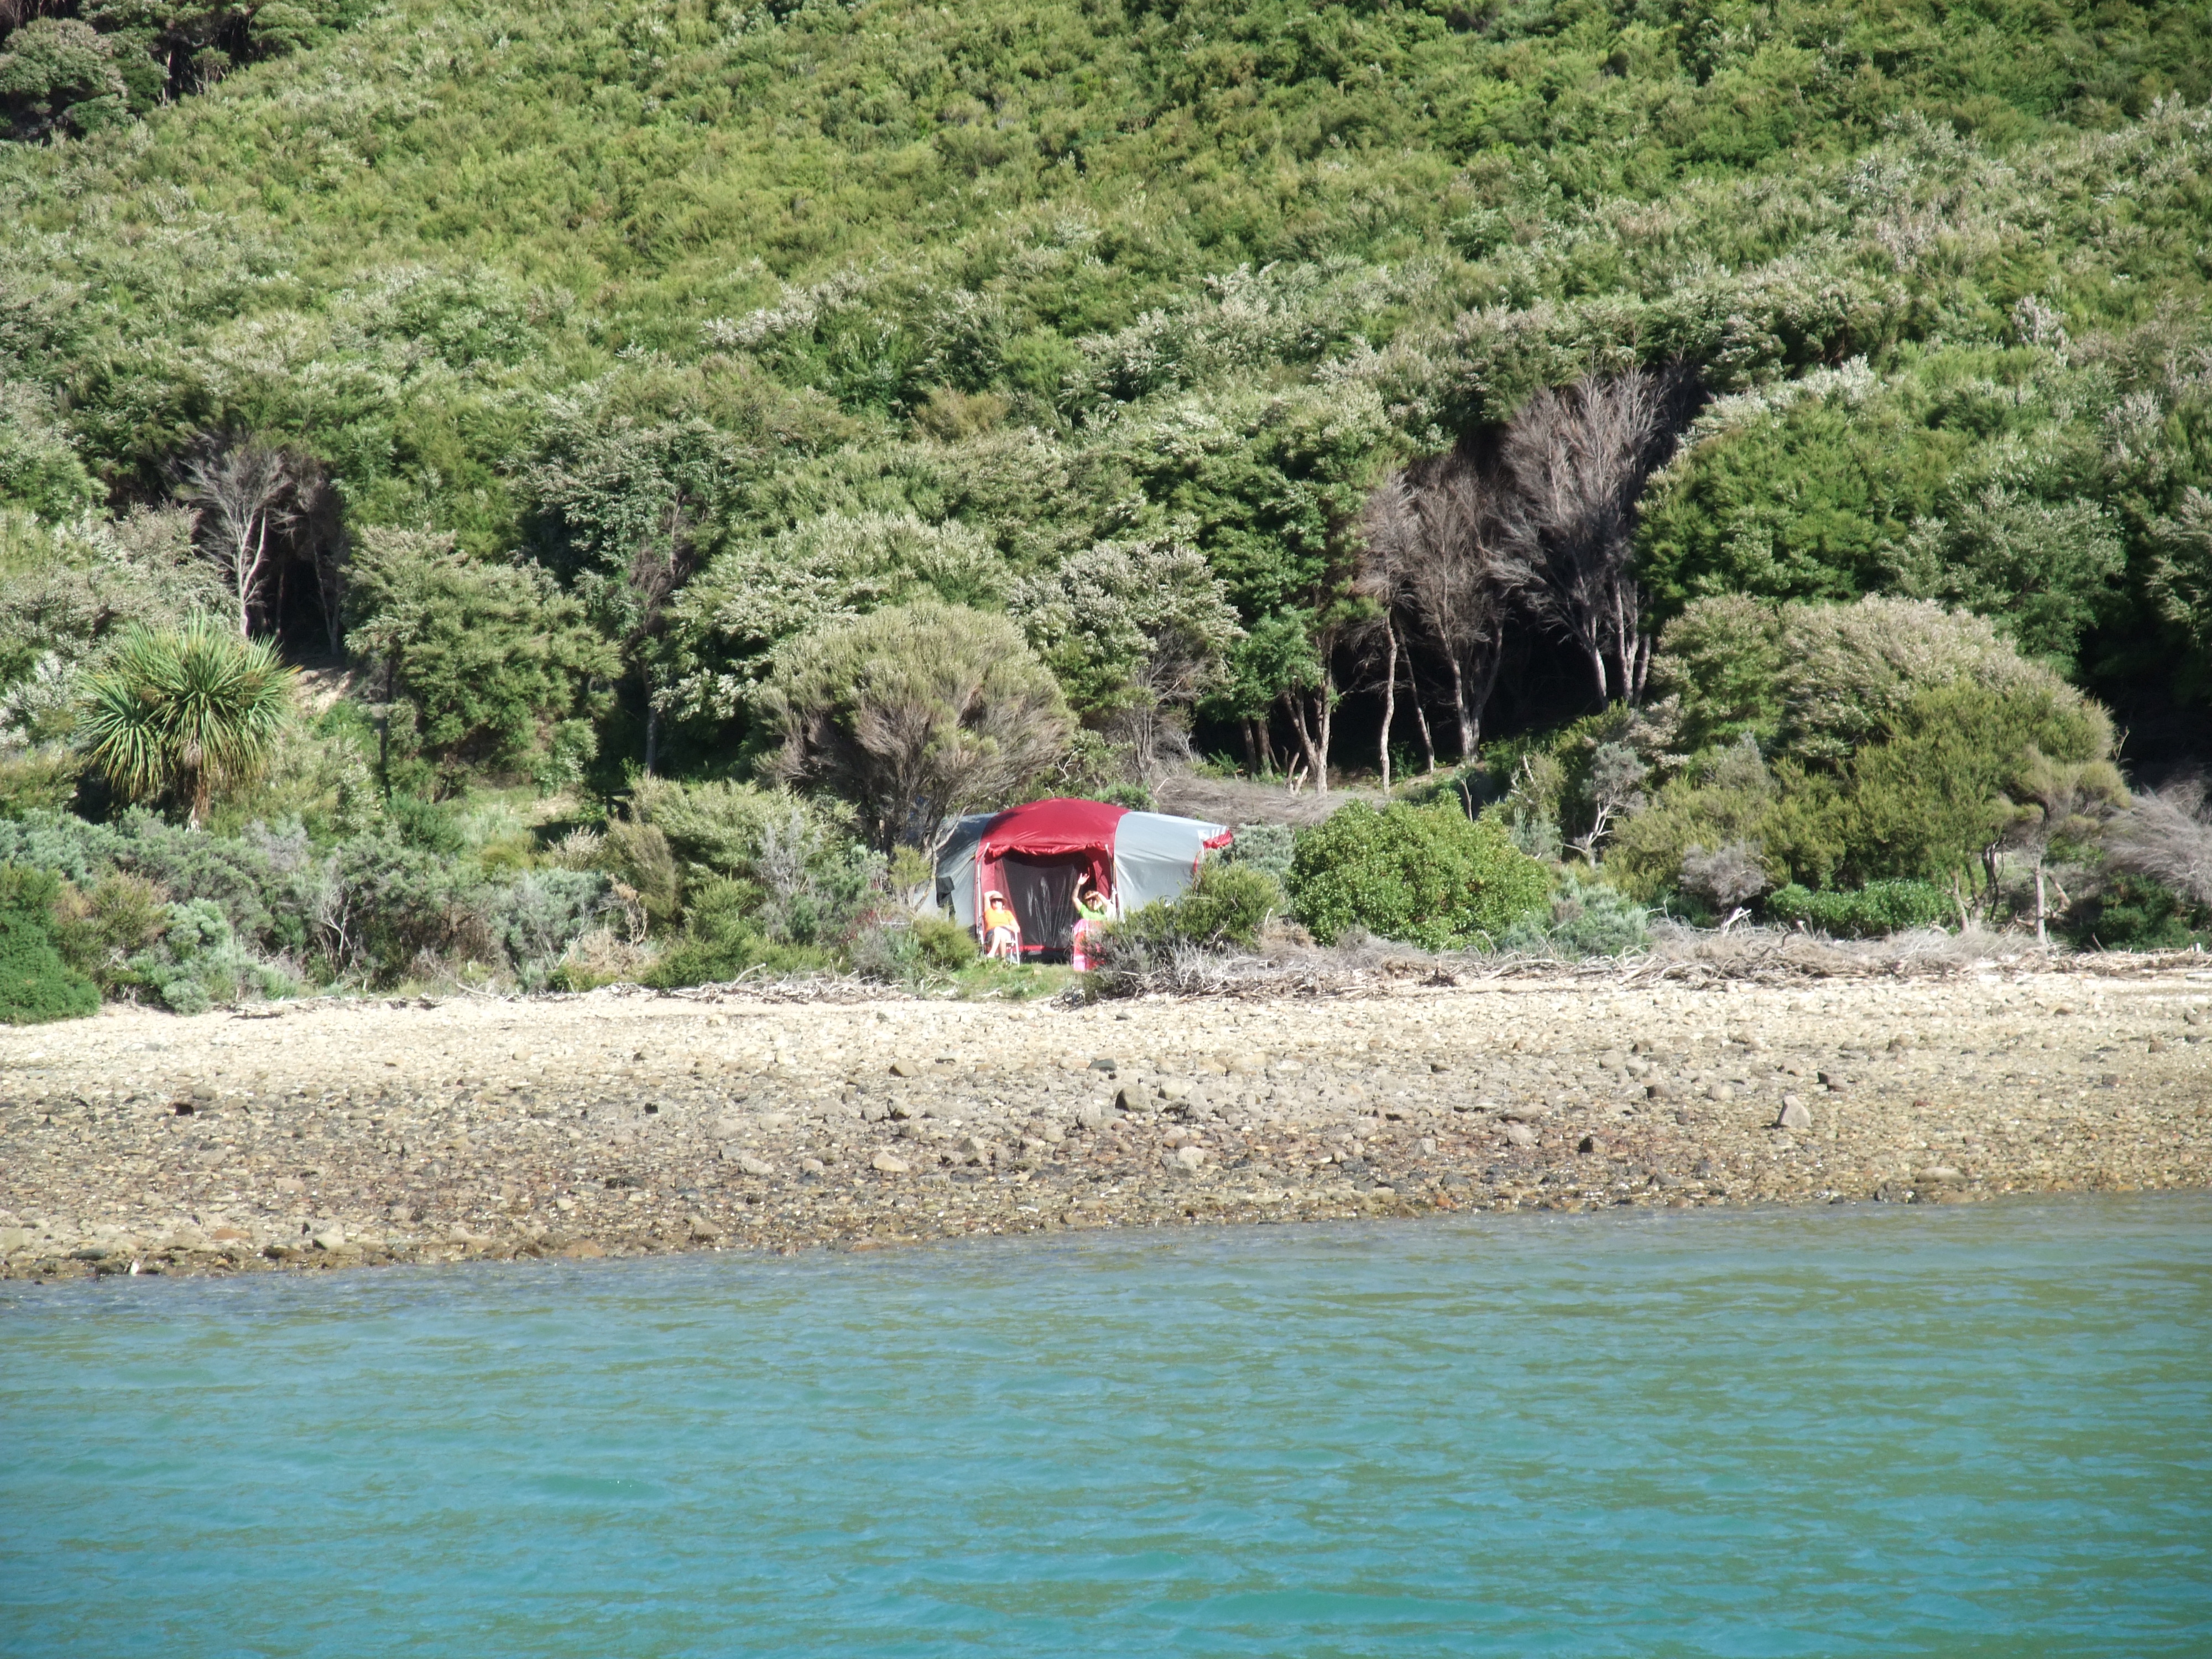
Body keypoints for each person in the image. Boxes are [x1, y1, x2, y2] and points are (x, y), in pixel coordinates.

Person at [1070, 883, 1111, 973]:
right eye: (1089, 900)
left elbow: (1107, 903)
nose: (1092, 901)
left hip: (1099, 937)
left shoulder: (1101, 911)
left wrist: (1097, 894)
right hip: (1087, 938)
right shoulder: (1084, 909)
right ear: (1086, 902)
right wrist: (1078, 885)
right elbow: (1074, 898)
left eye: (1093, 899)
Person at [980, 889, 1020, 961]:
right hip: (991, 935)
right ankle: (1003, 960)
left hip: (1006, 933)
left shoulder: (1007, 913)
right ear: (991, 903)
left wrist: (1007, 926)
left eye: (999, 900)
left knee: (1000, 931)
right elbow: (986, 895)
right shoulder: (989, 912)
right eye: (994, 900)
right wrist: (997, 893)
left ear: (1002, 903)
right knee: (999, 932)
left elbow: (1017, 929)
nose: (996, 902)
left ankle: (992, 954)